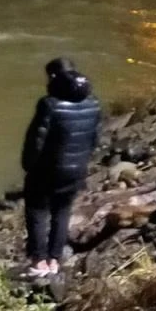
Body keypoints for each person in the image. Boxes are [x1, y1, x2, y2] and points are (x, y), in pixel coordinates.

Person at [20, 57, 101, 278]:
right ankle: (54, 260)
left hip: (47, 171)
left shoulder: (49, 105)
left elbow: (36, 141)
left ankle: (39, 261)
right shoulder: (93, 104)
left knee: (37, 211)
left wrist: (29, 166)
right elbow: (94, 140)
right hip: (76, 171)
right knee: (62, 211)